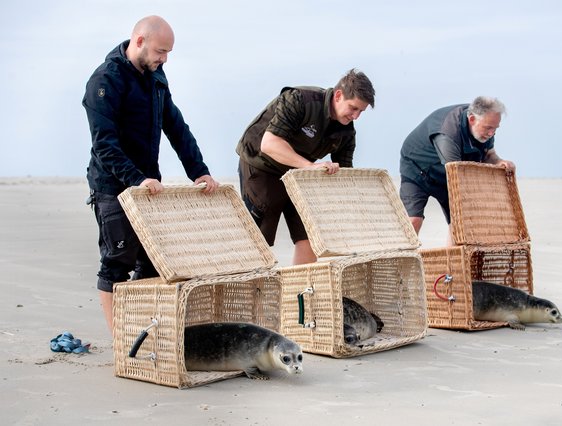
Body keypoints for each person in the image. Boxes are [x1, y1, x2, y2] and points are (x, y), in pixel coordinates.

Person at [82, 15, 220, 334]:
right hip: (113, 187)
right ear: (139, 41)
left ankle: (141, 332)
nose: (165, 58)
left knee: (153, 260)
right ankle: (121, 340)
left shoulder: (156, 77)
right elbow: (104, 143)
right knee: (117, 262)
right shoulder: (105, 79)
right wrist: (136, 179)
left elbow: (175, 125)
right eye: (161, 51)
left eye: (169, 52)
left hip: (148, 187)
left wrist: (199, 171)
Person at [236, 69, 375, 265]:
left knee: (310, 236)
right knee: (260, 239)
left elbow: (345, 177)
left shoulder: (347, 133)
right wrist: (310, 166)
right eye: (353, 108)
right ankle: (253, 287)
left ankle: (299, 292)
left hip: (298, 174)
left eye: (361, 111)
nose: (356, 116)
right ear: (338, 95)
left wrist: (356, 211)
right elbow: (269, 144)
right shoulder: (300, 99)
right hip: (261, 163)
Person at [399, 96, 515, 245]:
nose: (491, 133)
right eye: (488, 128)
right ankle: (403, 262)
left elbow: (489, 154)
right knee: (414, 219)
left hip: (447, 173)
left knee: (460, 224)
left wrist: (499, 162)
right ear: (472, 120)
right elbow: (455, 174)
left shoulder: (486, 124)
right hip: (417, 170)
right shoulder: (448, 131)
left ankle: (451, 266)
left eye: (495, 128)